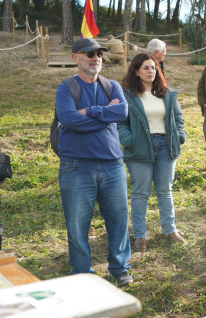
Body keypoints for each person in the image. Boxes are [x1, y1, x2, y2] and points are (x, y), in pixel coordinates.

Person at [55, 38, 132, 287]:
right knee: (77, 224)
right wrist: (105, 114)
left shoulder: (113, 86)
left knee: (119, 220)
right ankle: (81, 273)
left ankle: (120, 268)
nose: (95, 57)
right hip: (76, 166)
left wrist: (89, 111)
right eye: (89, 53)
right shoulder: (66, 88)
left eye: (99, 53)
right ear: (75, 57)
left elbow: (121, 112)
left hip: (113, 164)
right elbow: (69, 120)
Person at [118, 53, 186, 253]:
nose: (151, 72)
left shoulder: (166, 93)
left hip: (166, 146)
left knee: (165, 191)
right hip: (139, 148)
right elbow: (120, 123)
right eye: (146, 68)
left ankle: (170, 230)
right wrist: (130, 141)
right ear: (137, 71)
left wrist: (179, 136)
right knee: (141, 193)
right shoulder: (128, 95)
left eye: (153, 68)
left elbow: (178, 118)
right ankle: (140, 235)